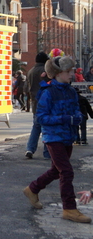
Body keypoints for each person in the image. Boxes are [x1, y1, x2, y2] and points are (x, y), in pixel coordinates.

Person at [23, 55, 91, 223]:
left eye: (72, 71)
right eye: (68, 72)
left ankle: (32, 189)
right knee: (66, 171)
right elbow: (41, 118)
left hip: (68, 137)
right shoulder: (48, 93)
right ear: (58, 73)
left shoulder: (70, 91)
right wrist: (65, 119)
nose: (72, 75)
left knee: (56, 170)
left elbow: (76, 109)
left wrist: (77, 117)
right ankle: (69, 208)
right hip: (53, 138)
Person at [25, 52, 51, 159]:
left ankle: (30, 148)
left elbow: (26, 88)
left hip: (35, 103)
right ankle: (47, 152)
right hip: (46, 102)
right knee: (47, 128)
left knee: (36, 127)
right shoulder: (46, 71)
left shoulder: (30, 71)